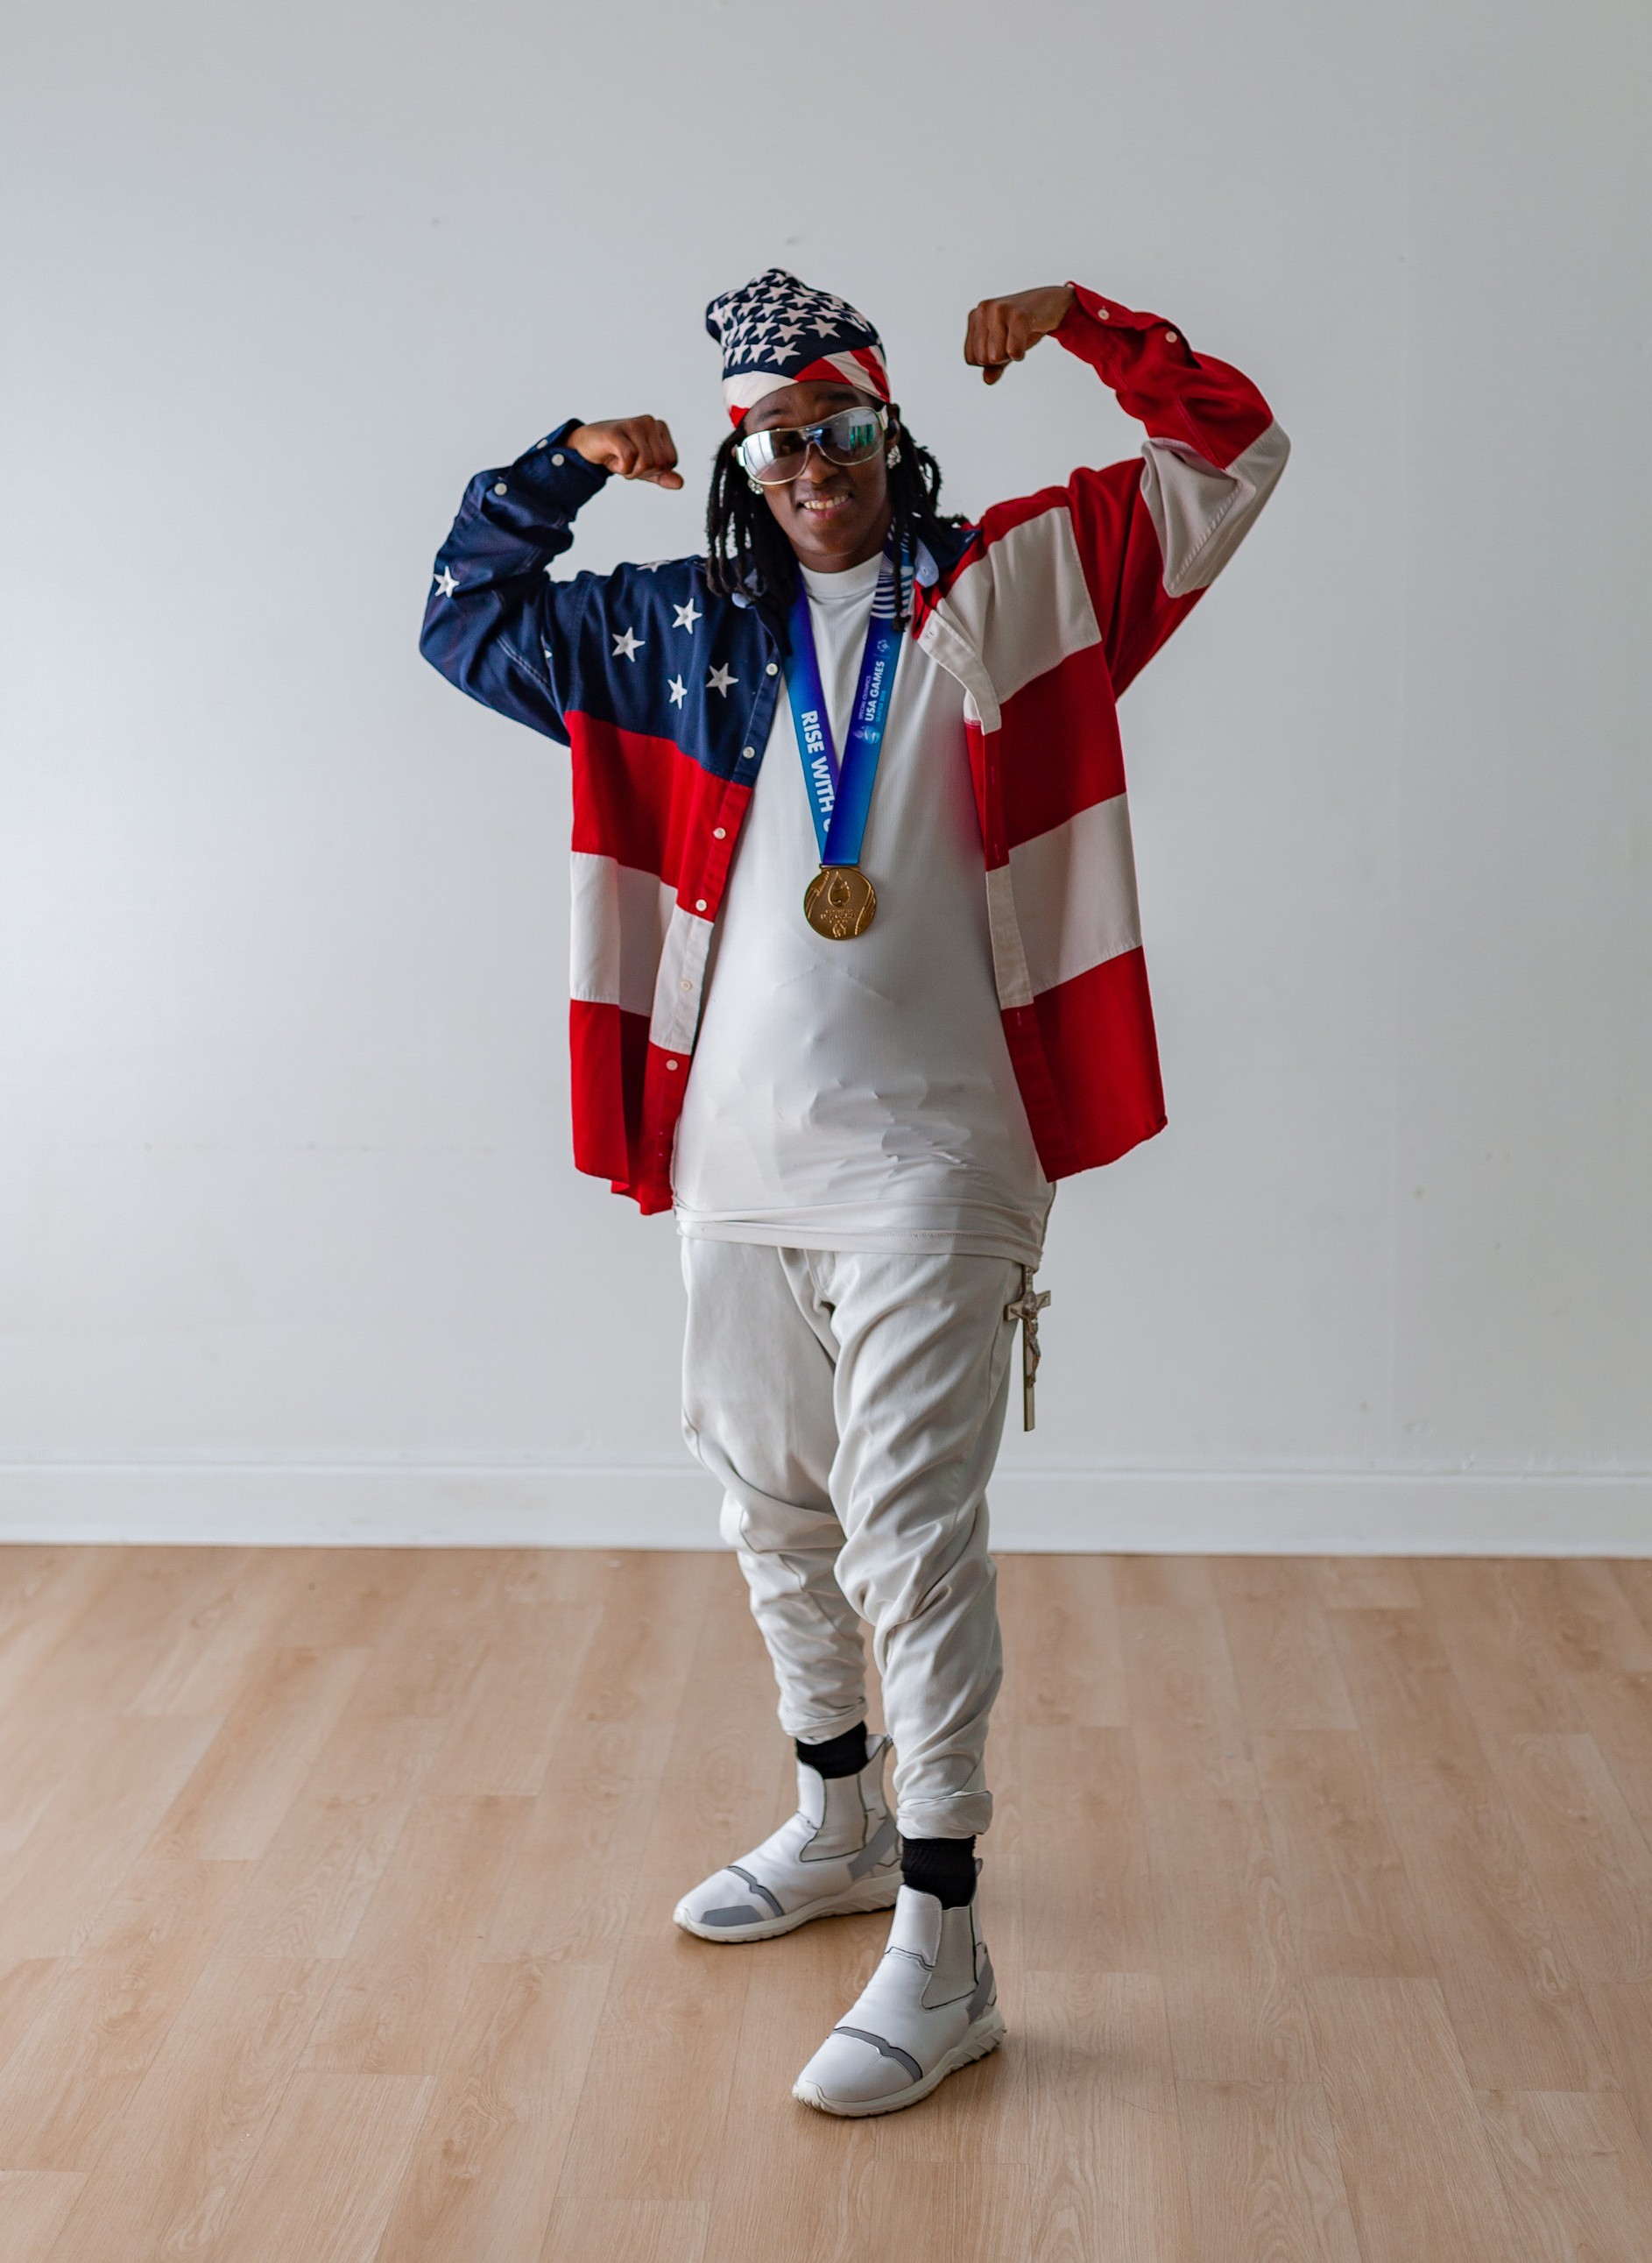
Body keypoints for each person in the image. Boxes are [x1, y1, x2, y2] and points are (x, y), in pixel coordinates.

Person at [420, 270, 1288, 2116]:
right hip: (731, 1154)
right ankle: (837, 1816)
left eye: (842, 432)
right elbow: (463, 617)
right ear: (745, 464)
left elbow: (1230, 453)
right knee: (766, 1501)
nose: (812, 468)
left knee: (908, 1527)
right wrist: (564, 462)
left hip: (940, 1148)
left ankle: (945, 1937)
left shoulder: (1018, 584)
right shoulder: (674, 629)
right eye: (778, 445)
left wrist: (1086, 323)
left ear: (893, 433)